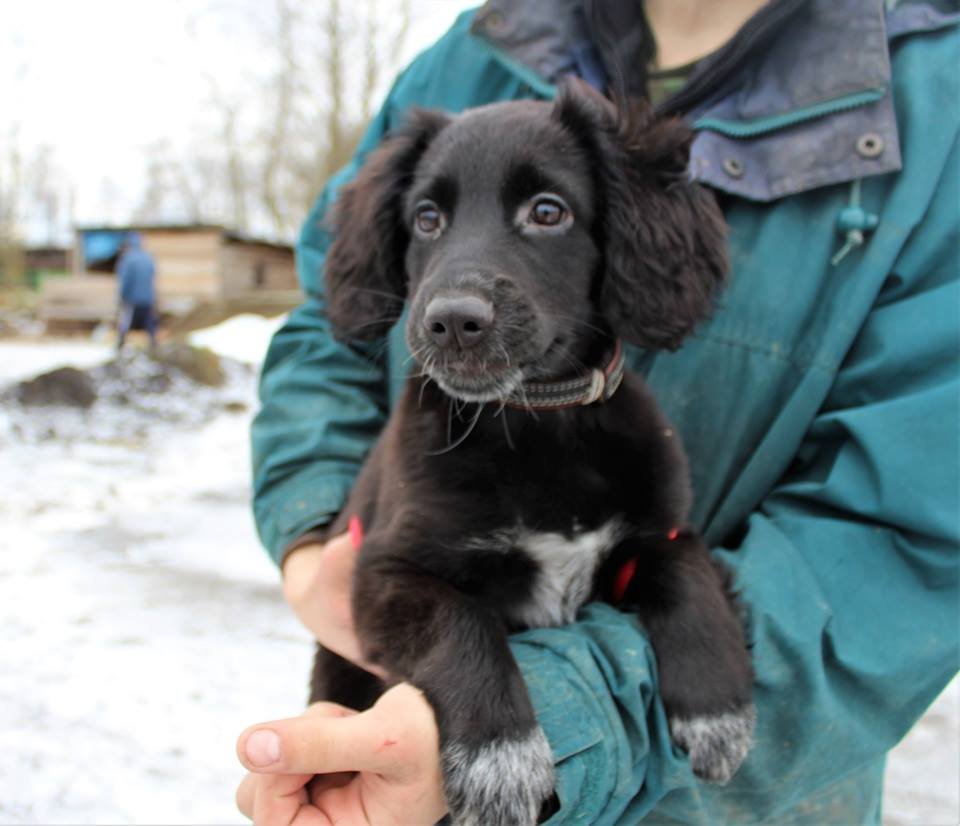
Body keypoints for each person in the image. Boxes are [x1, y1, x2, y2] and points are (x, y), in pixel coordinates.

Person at [237, 0, 960, 823]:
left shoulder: (938, 95)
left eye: (544, 212)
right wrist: (311, 536)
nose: (455, 295)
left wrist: (580, 718)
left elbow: (912, 536)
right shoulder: (480, 47)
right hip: (395, 763)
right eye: (431, 220)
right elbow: (333, 328)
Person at [115, 231, 158, 352]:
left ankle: (120, 345)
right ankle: (154, 345)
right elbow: (152, 276)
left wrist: (122, 296)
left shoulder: (128, 259)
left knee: (126, 322)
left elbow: (125, 280)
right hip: (148, 298)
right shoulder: (148, 257)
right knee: (149, 323)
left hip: (132, 298)